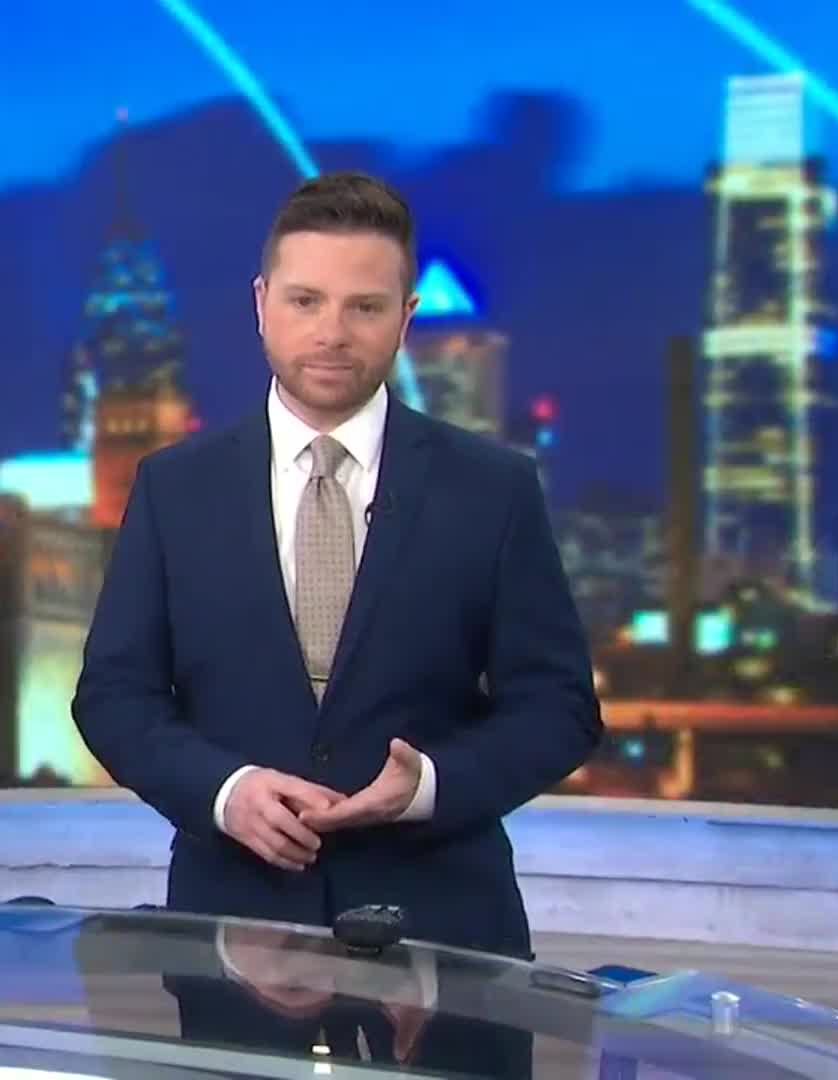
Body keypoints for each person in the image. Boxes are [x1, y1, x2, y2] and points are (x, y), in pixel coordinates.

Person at [71, 171, 601, 960]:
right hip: (237, 929)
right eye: (306, 301)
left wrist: (427, 787)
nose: (332, 332)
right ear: (261, 304)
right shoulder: (174, 488)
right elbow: (115, 699)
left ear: (405, 317)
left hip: (446, 933)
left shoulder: (493, 489)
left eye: (365, 306)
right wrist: (225, 794)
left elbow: (560, 708)